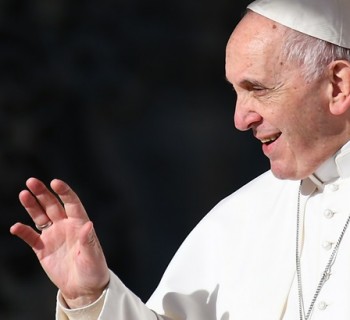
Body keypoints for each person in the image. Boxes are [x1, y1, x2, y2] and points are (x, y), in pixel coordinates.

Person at [10, 0, 350, 319]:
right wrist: (92, 298)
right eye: (235, 91)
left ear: (337, 86)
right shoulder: (236, 218)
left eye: (257, 89)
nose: (240, 119)